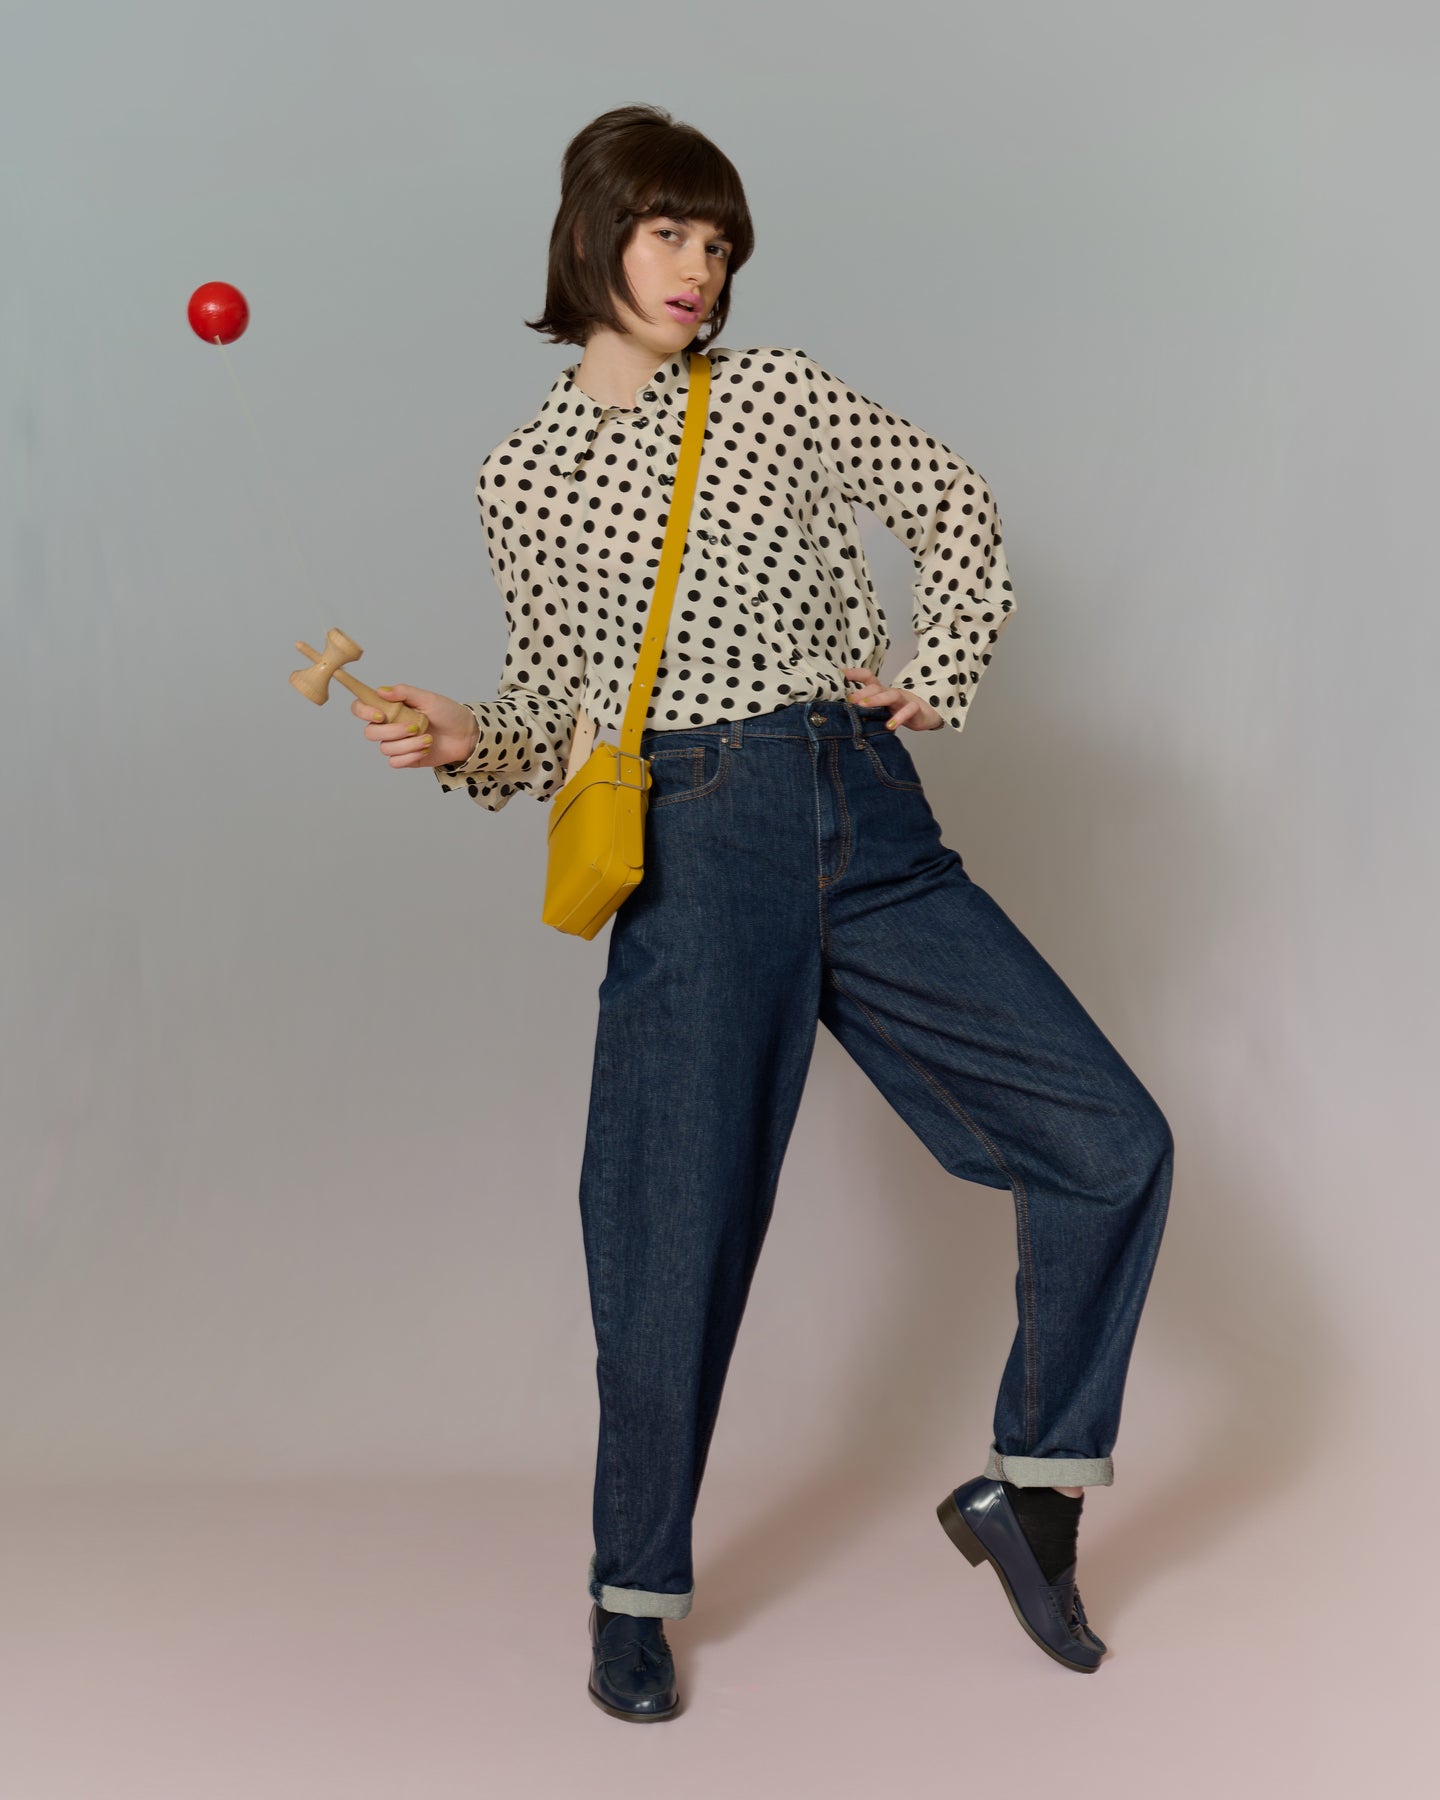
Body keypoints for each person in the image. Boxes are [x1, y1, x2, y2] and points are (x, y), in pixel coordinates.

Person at [352, 104, 1174, 1719]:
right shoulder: (524, 475)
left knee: (1108, 1139)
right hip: (698, 834)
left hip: (864, 814)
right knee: (671, 1231)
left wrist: (937, 667)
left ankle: (1033, 1491)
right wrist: (464, 737)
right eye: (670, 232)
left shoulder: (776, 392)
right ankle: (633, 1592)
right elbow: (554, 707)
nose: (699, 269)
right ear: (593, 234)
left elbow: (955, 505)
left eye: (719, 243)